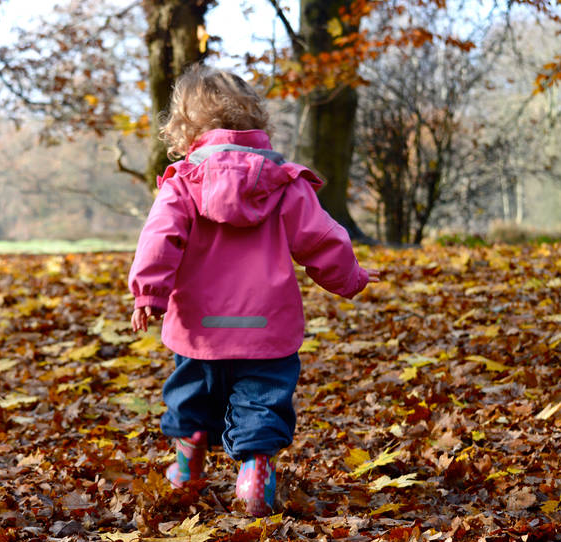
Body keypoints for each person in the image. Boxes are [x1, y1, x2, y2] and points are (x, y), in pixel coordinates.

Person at [128, 64, 381, 516]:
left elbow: (160, 238)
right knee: (263, 399)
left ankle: (188, 463)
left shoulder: (183, 181)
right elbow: (322, 238)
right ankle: (254, 469)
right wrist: (351, 277)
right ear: (254, 120)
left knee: (191, 391)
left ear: (185, 128)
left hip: (200, 327)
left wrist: (149, 294)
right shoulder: (284, 181)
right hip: (266, 326)